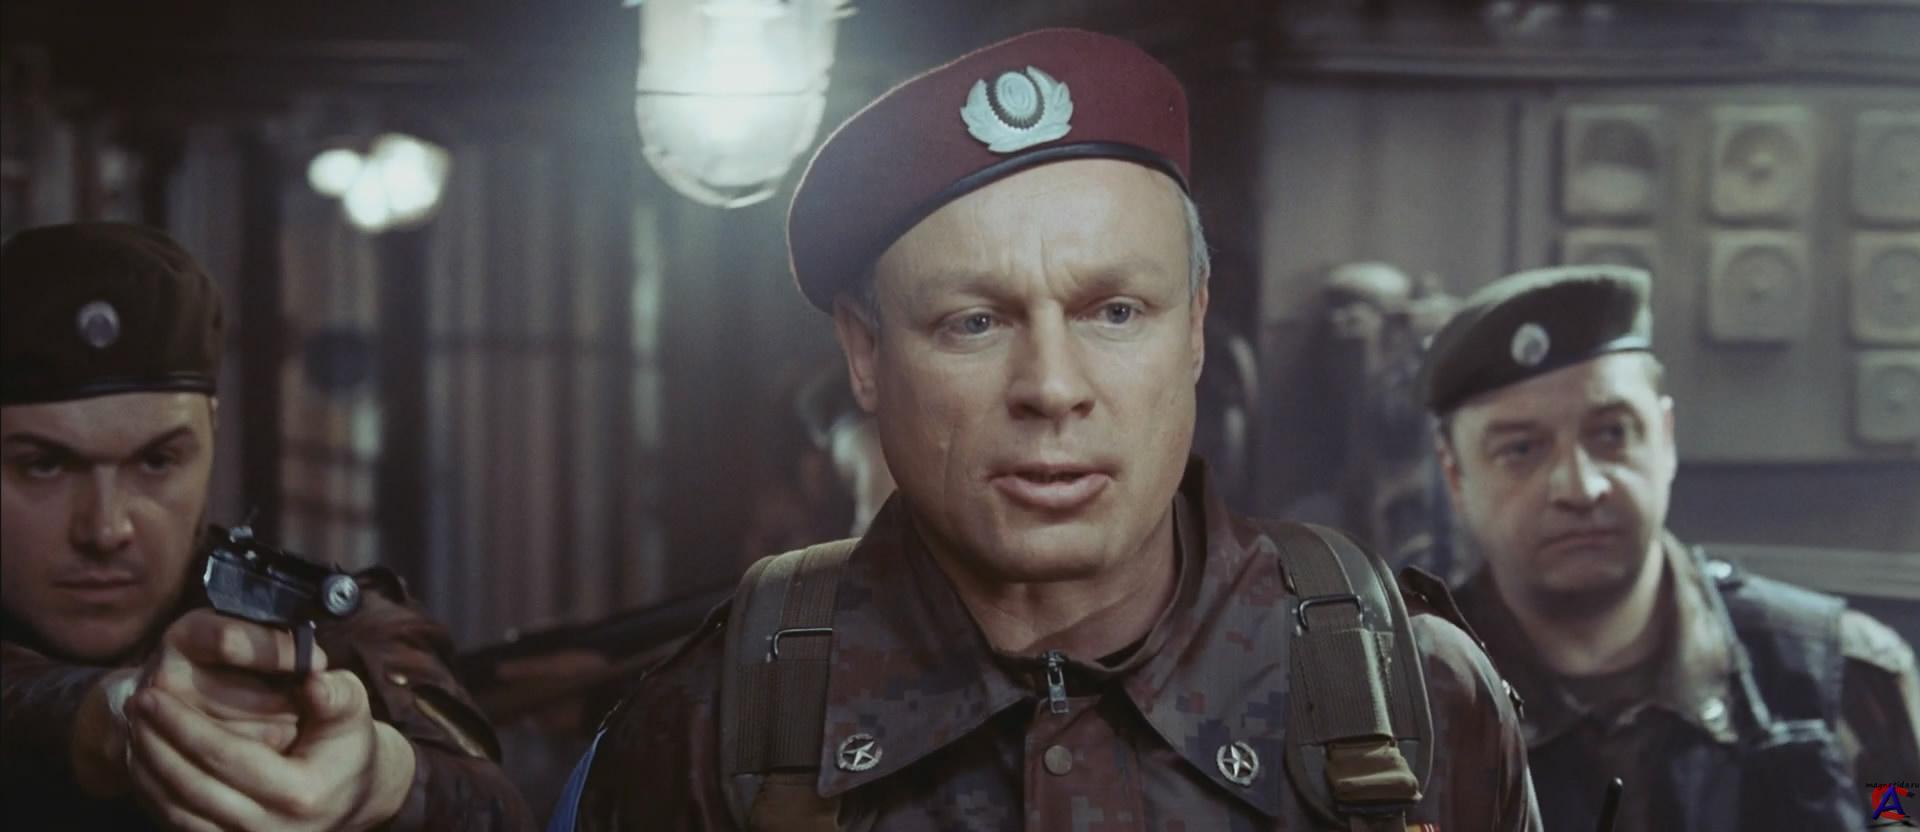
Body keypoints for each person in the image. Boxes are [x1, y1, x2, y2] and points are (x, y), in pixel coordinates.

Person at [563, 29, 1538, 831]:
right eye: (974, 323)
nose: (1053, 388)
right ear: (864, 353)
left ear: (1195, 327)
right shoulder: (712, 728)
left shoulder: (1409, 692)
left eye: (1114, 312)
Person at [0, 222, 533, 830]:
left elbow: (497, 802)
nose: (105, 529)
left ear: (213, 437)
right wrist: (113, 716)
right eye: (43, 465)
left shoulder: (329, 625)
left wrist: (386, 779)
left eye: (157, 461)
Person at [1418, 264, 1920, 830]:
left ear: (1666, 437)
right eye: (1520, 449)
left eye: (1612, 434)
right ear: (1455, 476)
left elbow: (1899, 814)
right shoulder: (1404, 705)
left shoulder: (1843, 684)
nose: (1580, 488)